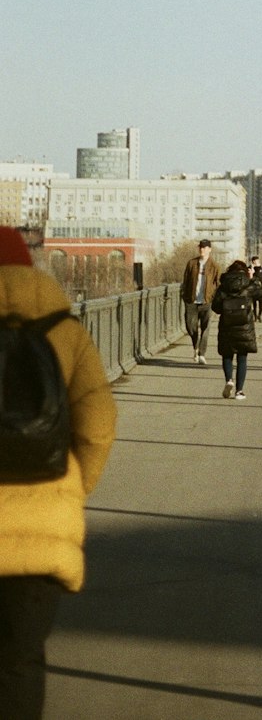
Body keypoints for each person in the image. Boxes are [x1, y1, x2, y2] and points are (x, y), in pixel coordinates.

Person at [0, 226, 117, 718]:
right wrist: (73, 487)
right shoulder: (64, 331)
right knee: (20, 663)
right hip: (45, 527)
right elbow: (98, 424)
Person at [211, 260, 262, 399]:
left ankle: (229, 380)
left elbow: (215, 307)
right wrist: (253, 277)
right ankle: (239, 391)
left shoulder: (223, 286)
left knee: (227, 355)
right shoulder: (248, 284)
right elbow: (261, 293)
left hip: (227, 326)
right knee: (242, 357)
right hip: (244, 326)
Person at [180, 239, 220, 365]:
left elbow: (218, 284)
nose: (202, 249)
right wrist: (184, 296)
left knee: (206, 327)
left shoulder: (215, 266)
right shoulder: (191, 263)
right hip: (192, 300)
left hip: (207, 301)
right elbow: (185, 281)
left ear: (210, 249)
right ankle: (196, 346)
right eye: (201, 247)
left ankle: (201, 353)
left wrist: (216, 299)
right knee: (190, 327)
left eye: (205, 247)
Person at [249, 256, 262, 322]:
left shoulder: (261, 268)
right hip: (254, 289)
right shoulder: (250, 268)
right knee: (254, 304)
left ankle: (259, 316)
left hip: (260, 290)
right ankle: (255, 316)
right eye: (257, 260)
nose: (258, 261)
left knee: (261, 304)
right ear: (253, 261)